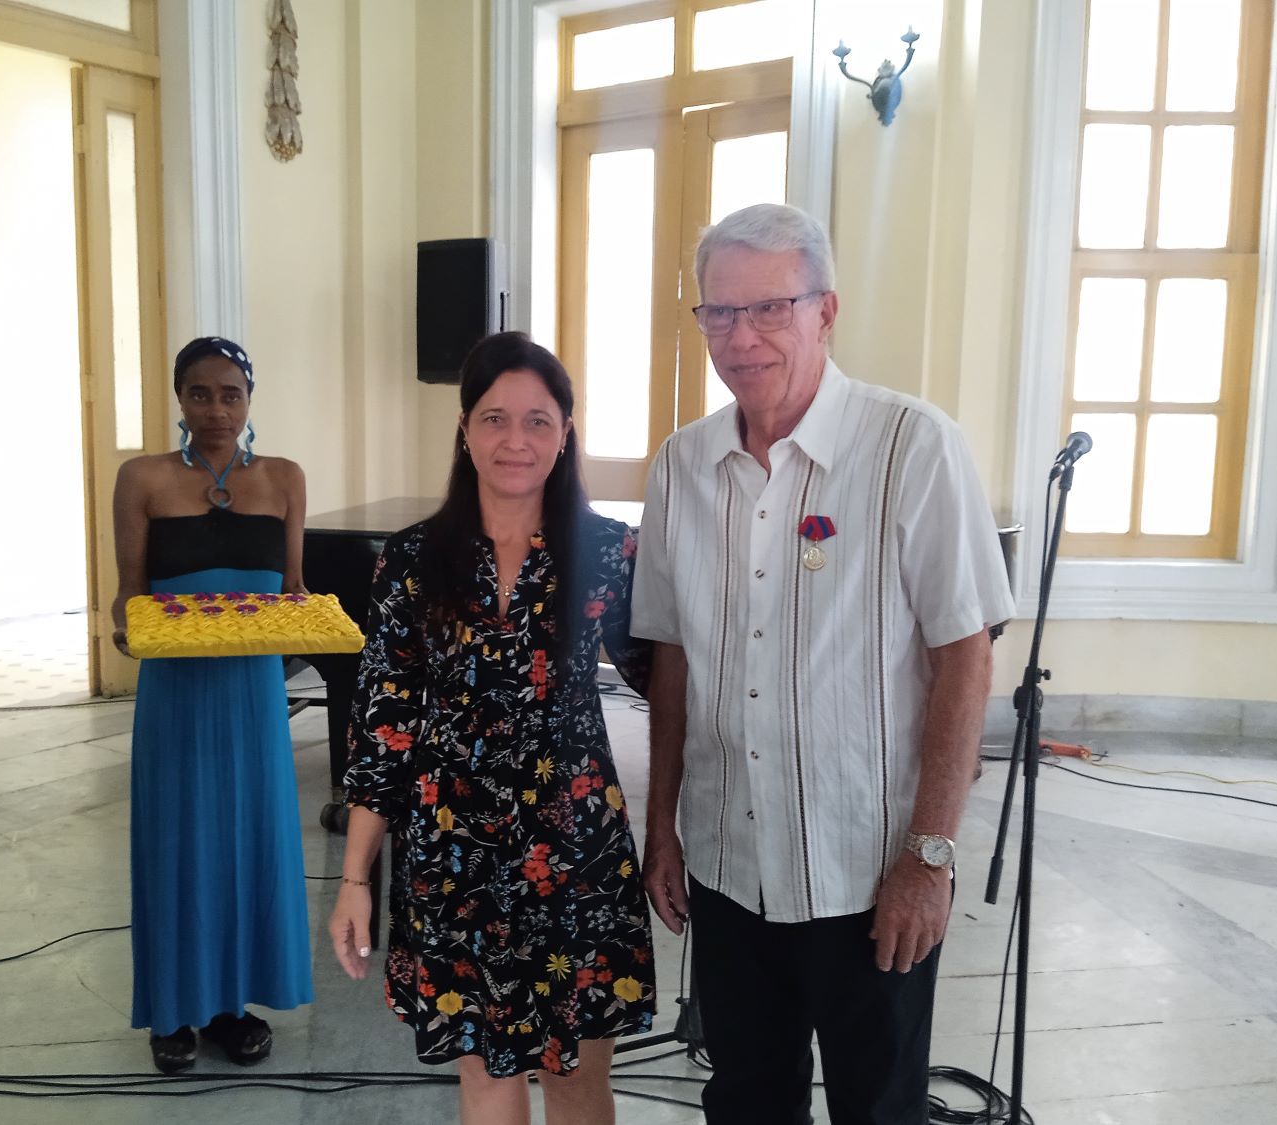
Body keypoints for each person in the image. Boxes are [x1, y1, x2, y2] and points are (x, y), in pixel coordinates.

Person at [632, 203, 1015, 1124]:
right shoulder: (681, 465)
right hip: (729, 866)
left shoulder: (913, 446)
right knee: (746, 1101)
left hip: (867, 873)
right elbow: (673, 659)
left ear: (826, 311)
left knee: (877, 1107)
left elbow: (965, 656)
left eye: (771, 308)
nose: (741, 337)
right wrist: (663, 828)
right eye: (720, 312)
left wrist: (929, 856)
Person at [328, 331, 656, 1125]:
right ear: (465, 428)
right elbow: (384, 728)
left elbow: (672, 685)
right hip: (452, 860)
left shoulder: (609, 552)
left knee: (576, 1077)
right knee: (483, 1079)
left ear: (565, 432)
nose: (517, 440)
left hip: (576, 853)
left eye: (539, 420)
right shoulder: (413, 559)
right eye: (495, 418)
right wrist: (354, 878)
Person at [111, 336, 314, 1074]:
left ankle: (232, 1005)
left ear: (250, 399)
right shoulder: (142, 478)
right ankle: (173, 1009)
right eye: (200, 393)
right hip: (176, 694)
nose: (217, 409)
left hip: (254, 693)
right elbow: (128, 594)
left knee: (251, 842)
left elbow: (293, 590)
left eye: (231, 394)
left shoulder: (284, 478)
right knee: (177, 843)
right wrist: (129, 629)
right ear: (180, 398)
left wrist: (311, 621)